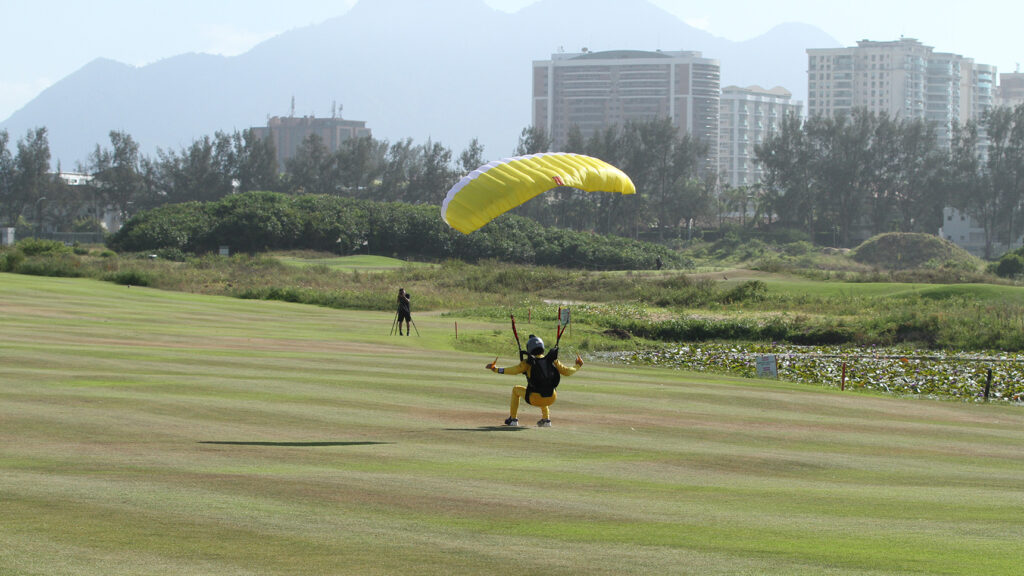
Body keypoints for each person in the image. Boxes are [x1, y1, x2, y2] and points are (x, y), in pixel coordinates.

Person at [485, 334, 583, 427]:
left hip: (535, 399)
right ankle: (546, 420)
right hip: (552, 398)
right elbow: (567, 372)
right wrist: (578, 365)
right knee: (544, 385)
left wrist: (496, 369)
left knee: (516, 390)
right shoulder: (552, 360)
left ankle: (513, 419)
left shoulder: (527, 363)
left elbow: (513, 370)